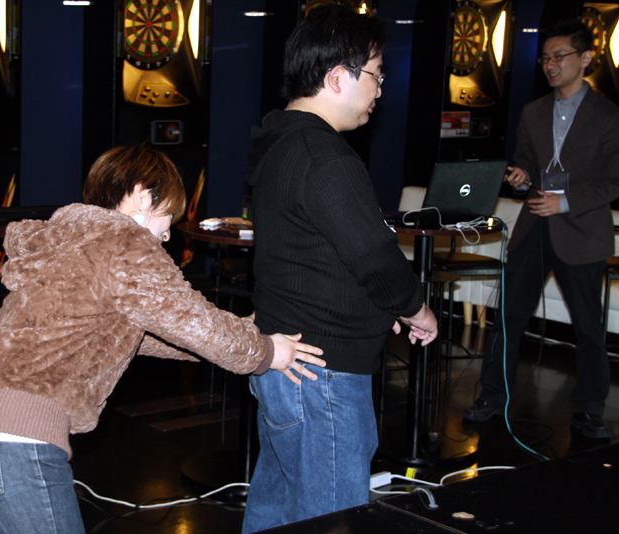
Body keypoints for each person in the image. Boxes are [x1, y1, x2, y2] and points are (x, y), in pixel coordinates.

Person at [0, 144, 326, 534]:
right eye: (167, 213)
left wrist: (243, 334)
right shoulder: (124, 243)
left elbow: (147, 334)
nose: (167, 233)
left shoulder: (75, 241)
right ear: (141, 195)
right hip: (10, 441)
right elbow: (190, 320)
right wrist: (267, 352)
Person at [241, 6, 438, 533]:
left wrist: (376, 306)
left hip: (287, 361)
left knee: (277, 506)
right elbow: (372, 254)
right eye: (376, 75)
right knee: (331, 515)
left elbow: (317, 253)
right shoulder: (323, 154)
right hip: (322, 373)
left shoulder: (280, 142)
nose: (379, 90)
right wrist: (416, 308)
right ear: (336, 77)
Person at [463, 19, 619, 440]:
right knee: (508, 320)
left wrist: (563, 202)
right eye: (546, 58)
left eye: (559, 56)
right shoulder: (533, 112)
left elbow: (614, 181)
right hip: (534, 227)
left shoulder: (608, 116)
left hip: (581, 233)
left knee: (588, 330)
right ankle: (493, 399)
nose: (551, 64)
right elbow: (528, 164)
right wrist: (521, 177)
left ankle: (588, 411)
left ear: (585, 59)